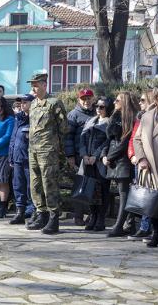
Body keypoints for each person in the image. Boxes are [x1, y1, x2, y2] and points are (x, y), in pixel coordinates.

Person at [26, 73, 68, 234]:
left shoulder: (54, 103)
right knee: (35, 183)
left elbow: (64, 127)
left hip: (48, 150)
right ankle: (41, 213)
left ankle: (53, 217)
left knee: (49, 183)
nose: (33, 88)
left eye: (36, 85)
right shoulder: (34, 104)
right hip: (33, 150)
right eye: (32, 85)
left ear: (44, 85)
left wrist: (55, 145)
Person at [103, 92, 138, 237]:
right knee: (124, 194)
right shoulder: (115, 117)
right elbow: (108, 139)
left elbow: (124, 142)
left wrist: (110, 157)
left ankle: (119, 226)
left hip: (123, 161)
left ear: (124, 102)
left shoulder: (129, 119)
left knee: (124, 194)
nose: (115, 102)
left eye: (118, 100)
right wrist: (104, 155)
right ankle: (128, 224)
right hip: (113, 159)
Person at [79, 97, 113, 232]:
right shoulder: (90, 121)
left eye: (102, 106)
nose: (98, 108)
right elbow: (82, 139)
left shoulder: (110, 123)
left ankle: (100, 219)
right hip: (87, 161)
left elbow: (108, 142)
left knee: (102, 191)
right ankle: (92, 216)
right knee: (90, 190)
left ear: (108, 108)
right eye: (97, 106)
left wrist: (96, 156)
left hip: (100, 162)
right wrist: (84, 154)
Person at [134, 87, 158, 247]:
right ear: (157, 99)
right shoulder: (147, 116)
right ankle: (156, 234)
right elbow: (137, 139)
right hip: (149, 167)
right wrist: (141, 158)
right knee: (153, 205)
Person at [127, 90, 156, 239]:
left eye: (143, 100)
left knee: (153, 196)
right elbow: (134, 139)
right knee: (146, 195)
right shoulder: (141, 118)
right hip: (142, 162)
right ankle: (145, 227)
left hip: (155, 162)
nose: (140, 103)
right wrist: (135, 156)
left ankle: (152, 230)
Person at [66, 88, 96, 226]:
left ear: (93, 99)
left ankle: (92, 215)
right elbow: (68, 137)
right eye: (83, 99)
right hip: (79, 156)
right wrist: (70, 156)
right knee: (80, 185)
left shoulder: (98, 112)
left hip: (95, 156)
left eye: (89, 98)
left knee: (95, 186)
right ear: (79, 100)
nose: (86, 101)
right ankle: (78, 216)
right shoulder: (73, 115)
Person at [8, 94, 36, 224]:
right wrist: (11, 156)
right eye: (21, 102)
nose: (22, 104)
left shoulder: (36, 117)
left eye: (25, 102)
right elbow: (13, 138)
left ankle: (32, 212)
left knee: (32, 187)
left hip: (30, 158)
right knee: (18, 186)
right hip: (18, 157)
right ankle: (20, 211)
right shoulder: (18, 118)